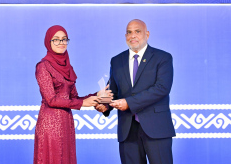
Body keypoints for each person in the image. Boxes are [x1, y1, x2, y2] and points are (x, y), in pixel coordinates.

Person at [96, 19, 176, 164]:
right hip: (128, 131)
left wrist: (129, 103)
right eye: (129, 32)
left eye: (137, 31)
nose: (133, 35)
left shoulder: (163, 58)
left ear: (147, 34)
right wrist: (104, 105)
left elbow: (162, 88)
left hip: (156, 129)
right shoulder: (116, 60)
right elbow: (112, 90)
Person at [33, 25, 111, 164]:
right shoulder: (43, 66)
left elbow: (73, 98)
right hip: (50, 124)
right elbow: (51, 99)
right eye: (56, 39)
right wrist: (82, 103)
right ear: (48, 42)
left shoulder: (68, 67)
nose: (61, 43)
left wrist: (97, 95)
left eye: (64, 39)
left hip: (66, 122)